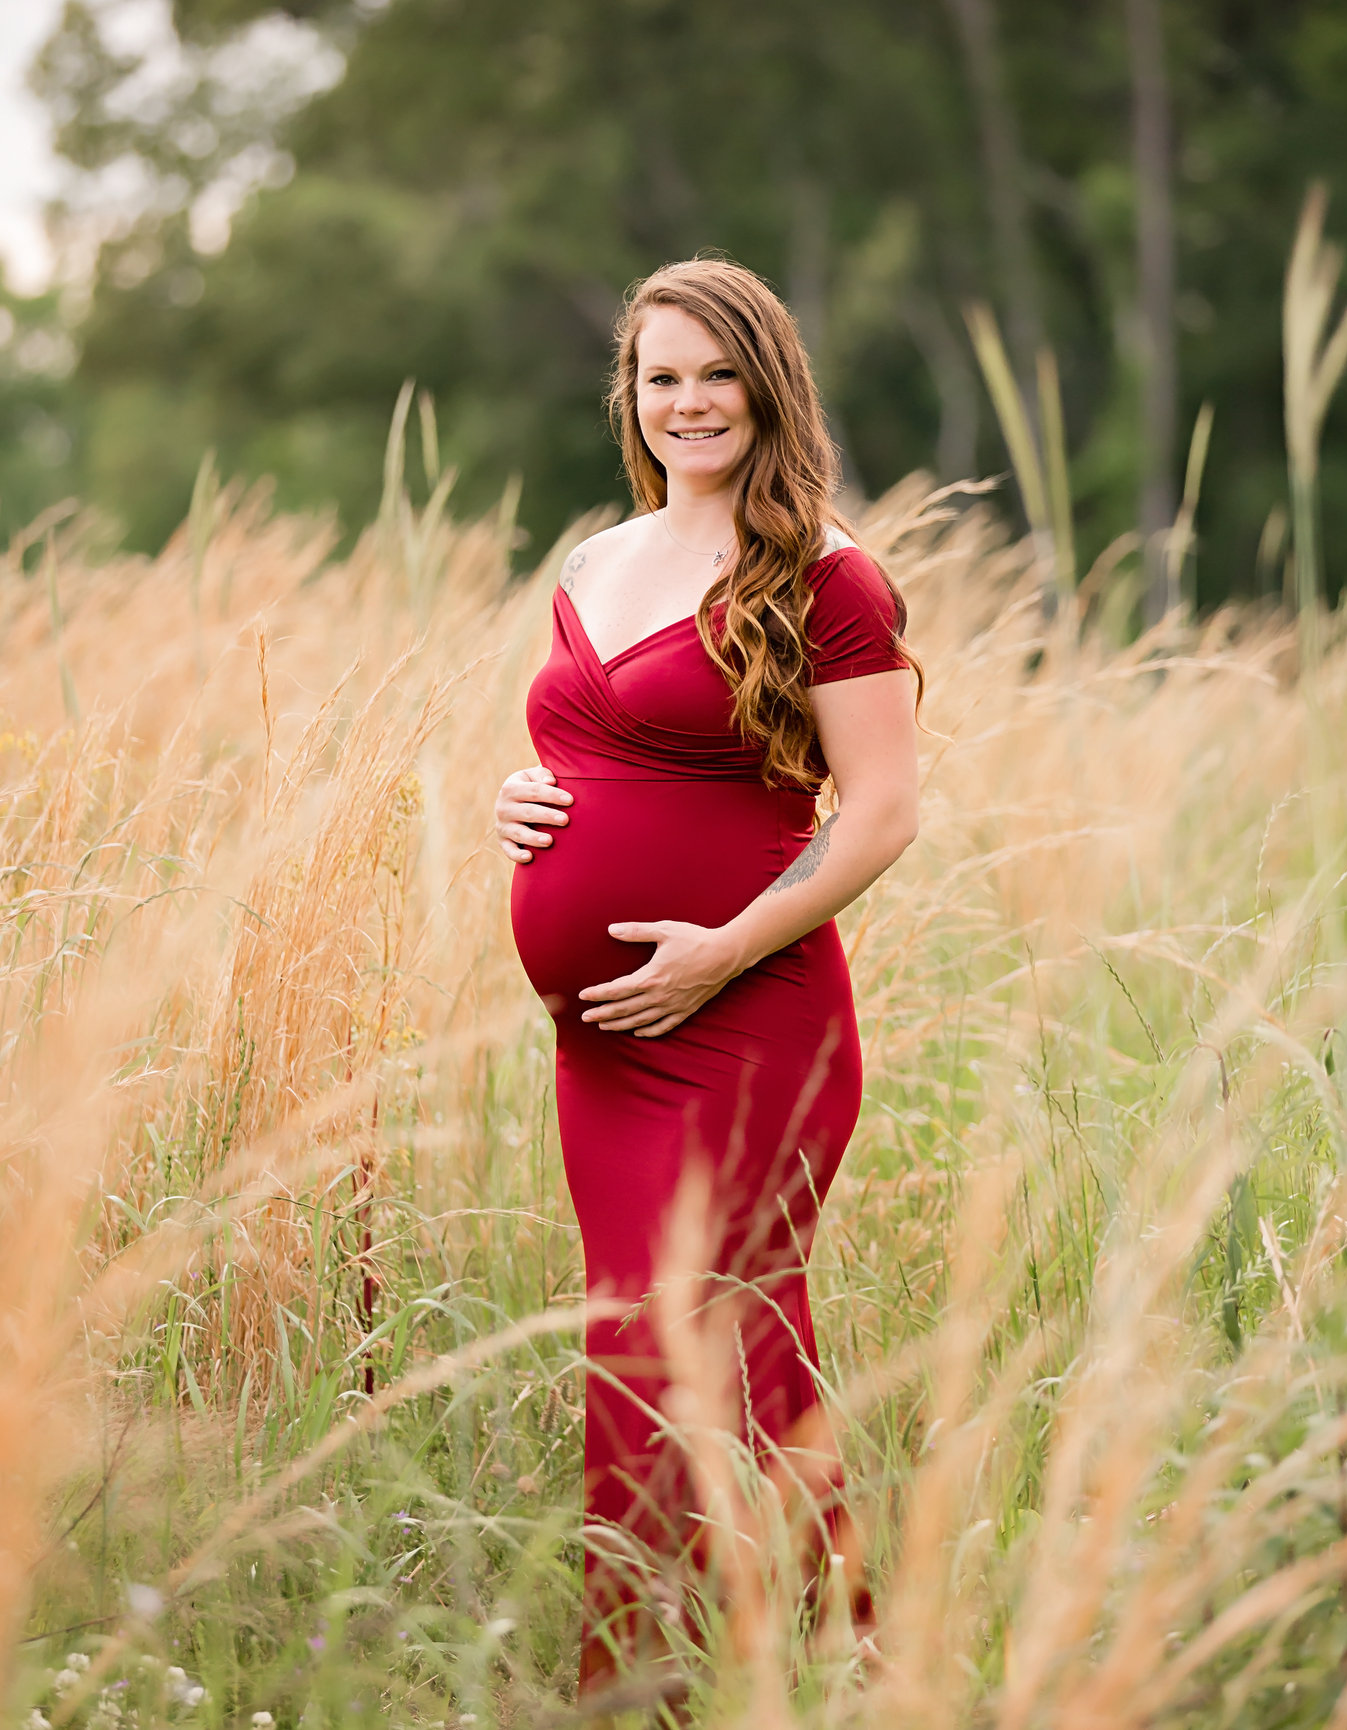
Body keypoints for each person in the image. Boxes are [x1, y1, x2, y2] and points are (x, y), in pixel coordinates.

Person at [494, 257, 922, 1703]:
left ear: (766, 385)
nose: (687, 401)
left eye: (714, 373)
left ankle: (759, 1663)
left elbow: (879, 811)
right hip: (604, 1048)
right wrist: (523, 803)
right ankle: (708, 1666)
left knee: (718, 1333)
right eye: (660, 376)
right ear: (631, 395)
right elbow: (585, 749)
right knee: (644, 1340)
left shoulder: (827, 574)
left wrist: (721, 950)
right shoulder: (593, 563)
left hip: (750, 1022)